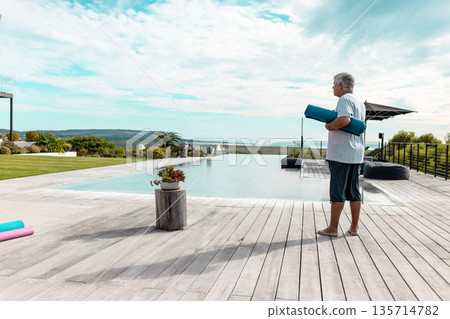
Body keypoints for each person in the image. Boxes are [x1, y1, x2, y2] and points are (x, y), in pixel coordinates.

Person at [317, 72, 366, 237]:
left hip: (342, 154)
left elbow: (345, 120)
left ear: (340, 85)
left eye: (333, 83)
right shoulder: (359, 102)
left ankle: (333, 228)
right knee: (354, 191)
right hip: (355, 153)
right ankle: (354, 227)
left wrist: (329, 126)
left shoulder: (344, 100)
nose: (332, 86)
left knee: (337, 191)